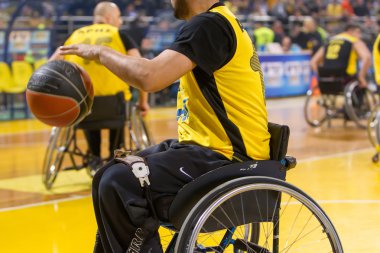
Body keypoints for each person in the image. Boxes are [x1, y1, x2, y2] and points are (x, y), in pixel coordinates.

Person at [59, 0, 270, 252]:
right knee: (107, 175)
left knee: (118, 181)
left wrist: (101, 53)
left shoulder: (208, 24)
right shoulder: (220, 22)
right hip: (213, 149)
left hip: (227, 158)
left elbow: (149, 77)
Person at [50, 2, 149, 172]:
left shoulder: (75, 35)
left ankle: (94, 158)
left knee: (88, 109)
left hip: (83, 107)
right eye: (118, 18)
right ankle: (116, 158)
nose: (120, 22)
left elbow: (51, 66)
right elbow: (141, 69)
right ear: (108, 18)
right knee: (118, 110)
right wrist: (143, 102)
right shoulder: (119, 34)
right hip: (115, 105)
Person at [310, 23, 371, 88]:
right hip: (347, 76)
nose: (360, 36)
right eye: (358, 32)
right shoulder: (354, 41)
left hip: (326, 76)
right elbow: (367, 58)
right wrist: (361, 77)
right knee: (364, 74)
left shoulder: (329, 41)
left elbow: (313, 62)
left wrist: (318, 77)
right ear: (350, 31)